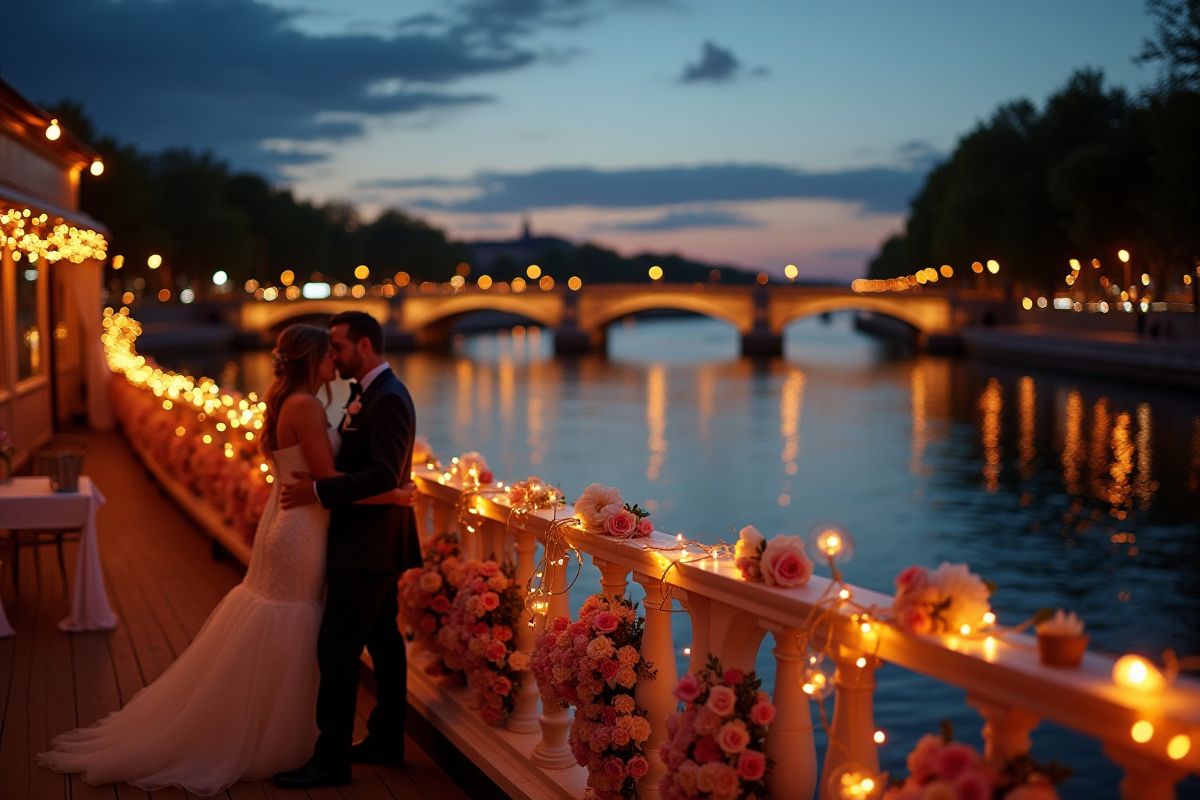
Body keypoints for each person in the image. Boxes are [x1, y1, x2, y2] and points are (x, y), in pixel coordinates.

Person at [38, 323, 415, 795]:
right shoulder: (306, 405)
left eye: (336, 350)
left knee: (334, 634)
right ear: (311, 359)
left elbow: (328, 478)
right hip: (303, 530)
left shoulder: (304, 400)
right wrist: (395, 496)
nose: (334, 360)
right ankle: (307, 747)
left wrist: (362, 491)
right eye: (329, 353)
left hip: (298, 526)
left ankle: (335, 740)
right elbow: (326, 480)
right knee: (305, 632)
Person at [273, 311, 420, 790]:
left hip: (368, 544)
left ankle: (331, 759)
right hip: (368, 538)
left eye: (337, 345)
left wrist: (318, 492)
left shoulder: (389, 397)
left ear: (364, 345)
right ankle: (386, 740)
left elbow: (384, 474)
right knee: (383, 641)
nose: (332, 355)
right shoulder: (368, 393)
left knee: (336, 647)